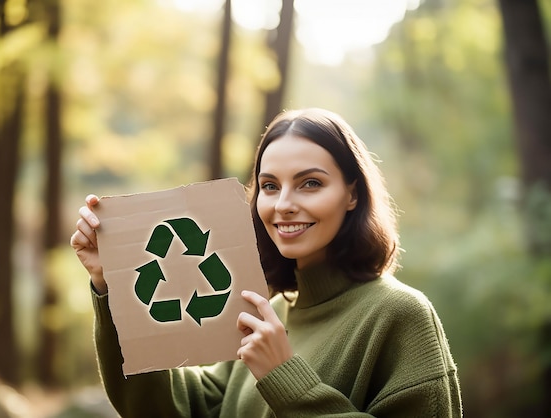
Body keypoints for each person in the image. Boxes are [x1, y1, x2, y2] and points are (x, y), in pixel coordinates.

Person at [70, 108, 463, 417]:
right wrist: (112, 284)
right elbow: (178, 408)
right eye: (270, 186)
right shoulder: (264, 312)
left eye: (311, 183)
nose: (284, 205)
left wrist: (285, 378)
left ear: (352, 194)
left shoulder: (399, 315)